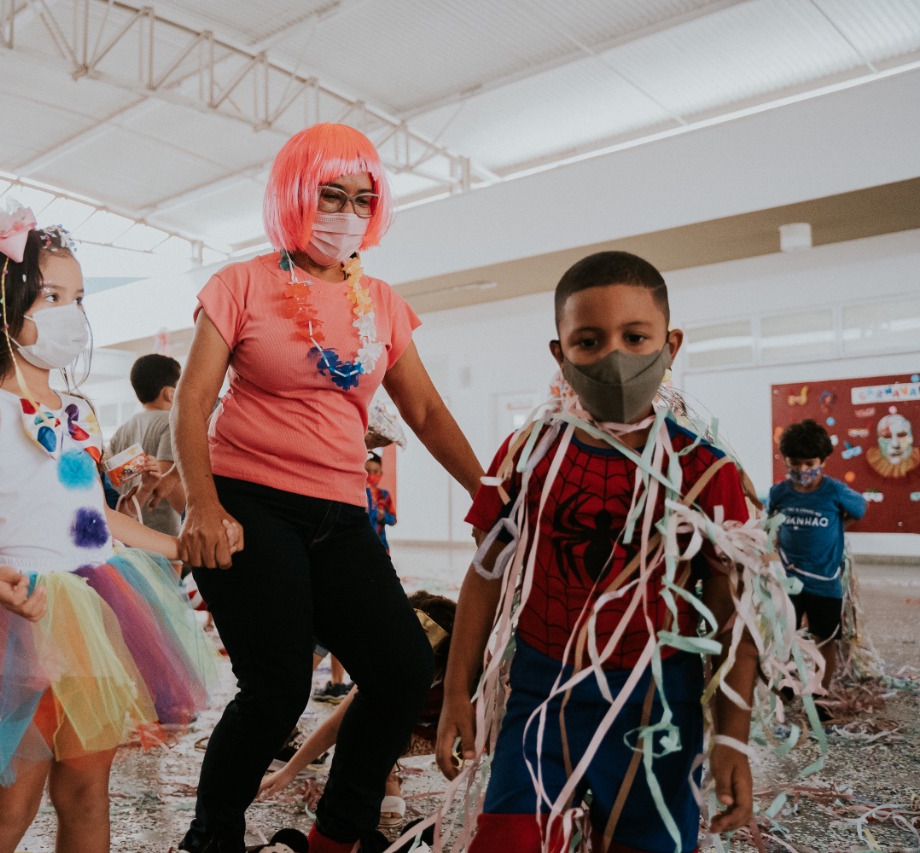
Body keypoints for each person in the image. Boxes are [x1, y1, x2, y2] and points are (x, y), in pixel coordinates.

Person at [172, 123, 484, 853]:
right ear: (293, 197)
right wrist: (202, 503)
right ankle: (211, 837)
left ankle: (336, 835)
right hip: (249, 501)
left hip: (342, 509)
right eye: (329, 195)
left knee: (402, 666)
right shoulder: (240, 284)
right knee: (277, 688)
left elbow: (428, 411)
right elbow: (192, 401)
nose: (346, 212)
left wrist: (488, 492)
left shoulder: (380, 302)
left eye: (360, 198)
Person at [0, 206, 218, 853]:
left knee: (87, 793)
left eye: (78, 297)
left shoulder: (77, 410)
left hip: (96, 610)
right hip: (13, 616)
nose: (70, 312)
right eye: (52, 295)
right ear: (5, 301)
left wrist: (178, 544)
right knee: (10, 806)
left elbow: (94, 517)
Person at [437, 251, 759, 852]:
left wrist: (732, 735)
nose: (616, 356)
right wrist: (461, 690)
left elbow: (732, 608)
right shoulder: (528, 454)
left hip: (659, 706)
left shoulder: (705, 469)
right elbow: (485, 576)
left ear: (671, 344)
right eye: (588, 341)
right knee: (506, 841)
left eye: (636, 337)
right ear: (560, 354)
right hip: (540, 689)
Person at [260, 591, 456, 833]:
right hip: (403, 730)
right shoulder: (389, 670)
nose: (418, 673)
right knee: (366, 724)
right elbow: (337, 724)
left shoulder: (465, 680)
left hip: (449, 732)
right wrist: (290, 771)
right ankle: (388, 776)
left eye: (431, 666)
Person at [769, 419, 867, 705]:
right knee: (785, 636)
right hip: (789, 580)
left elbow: (859, 509)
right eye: (794, 463)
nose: (801, 470)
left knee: (824, 639)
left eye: (809, 462)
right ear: (786, 461)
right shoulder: (779, 493)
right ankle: (786, 685)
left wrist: (837, 528)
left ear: (823, 460)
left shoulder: (835, 492)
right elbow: (770, 524)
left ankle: (820, 692)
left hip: (825, 583)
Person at [108, 353, 183, 535]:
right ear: (170, 393)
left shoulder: (122, 429)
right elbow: (167, 482)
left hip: (128, 531)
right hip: (162, 534)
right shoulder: (171, 422)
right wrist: (190, 515)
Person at [363, 452, 396, 552]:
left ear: (380, 474)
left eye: (375, 471)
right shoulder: (358, 494)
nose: (371, 475)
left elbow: (393, 520)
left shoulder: (384, 495)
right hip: (361, 545)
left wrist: (383, 516)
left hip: (381, 545)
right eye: (367, 471)